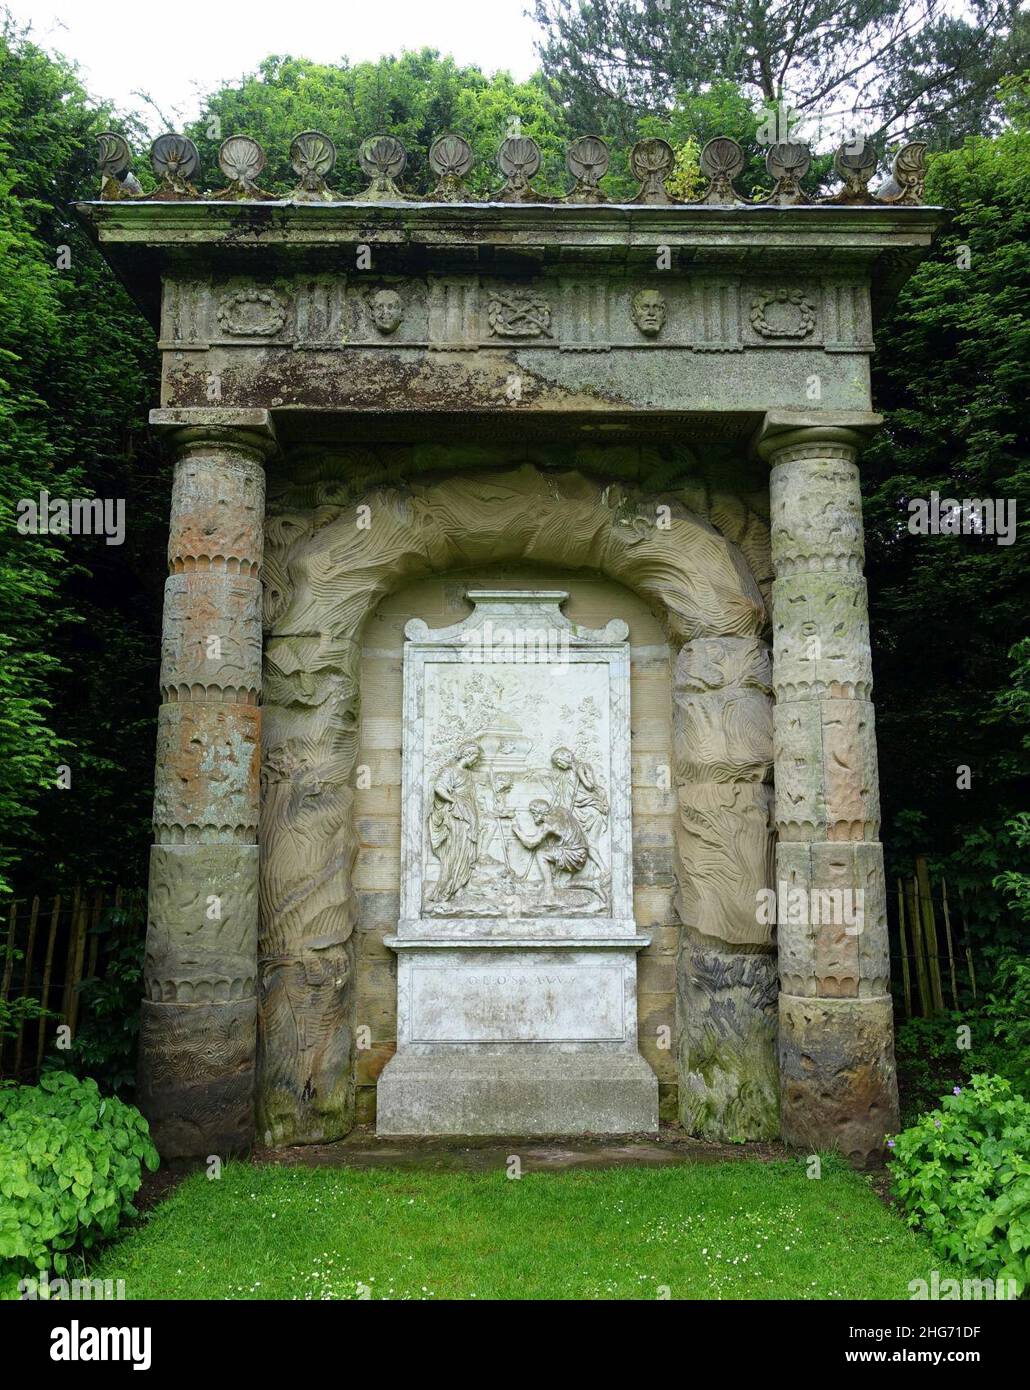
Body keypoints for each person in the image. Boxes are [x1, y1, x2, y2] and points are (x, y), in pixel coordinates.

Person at [512, 799, 605, 908]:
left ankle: (548, 891)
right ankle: (592, 885)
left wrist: (517, 830)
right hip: (582, 851)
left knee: (541, 853)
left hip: (572, 855)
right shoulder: (561, 810)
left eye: (533, 813)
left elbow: (530, 844)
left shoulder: (548, 825)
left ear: (539, 814)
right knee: (561, 884)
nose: (532, 817)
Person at [427, 742, 481, 901]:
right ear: (468, 755)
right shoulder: (450, 771)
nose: (476, 760)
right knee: (455, 851)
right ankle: (445, 890)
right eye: (476, 757)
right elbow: (439, 788)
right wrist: (453, 801)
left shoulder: (468, 774)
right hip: (456, 815)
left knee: (465, 852)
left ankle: (459, 887)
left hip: (468, 814)